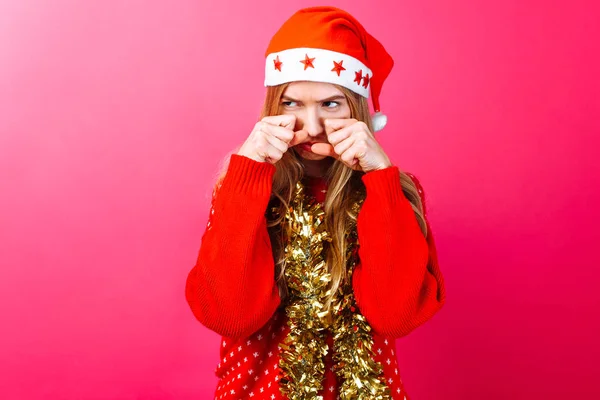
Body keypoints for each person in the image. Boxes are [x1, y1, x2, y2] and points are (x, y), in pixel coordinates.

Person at [185, 6, 446, 400]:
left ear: (358, 109)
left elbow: (397, 316)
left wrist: (381, 177)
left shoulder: (394, 190)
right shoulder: (242, 187)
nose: (312, 127)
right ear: (272, 107)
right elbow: (230, 316)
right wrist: (247, 173)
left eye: (331, 104)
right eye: (291, 104)